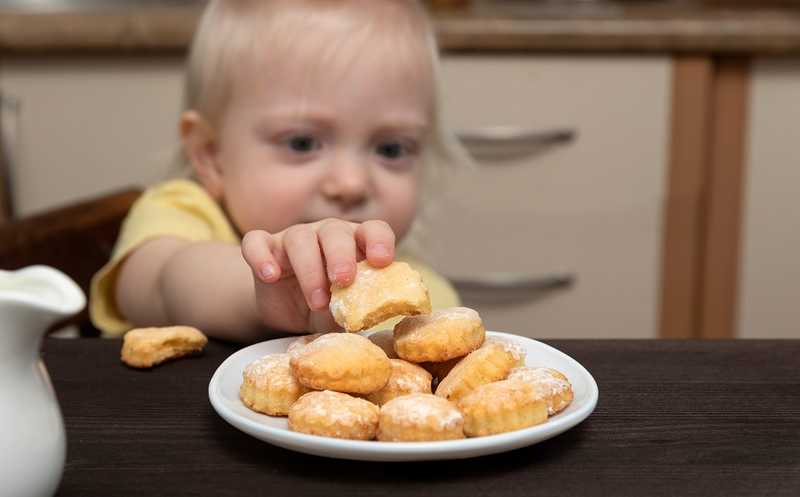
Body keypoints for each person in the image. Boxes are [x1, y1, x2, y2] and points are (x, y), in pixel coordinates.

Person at [90, 0, 471, 342]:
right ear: (211, 154)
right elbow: (158, 283)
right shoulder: (183, 210)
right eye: (302, 143)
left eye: (391, 149)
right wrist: (265, 290)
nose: (351, 184)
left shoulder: (429, 299)